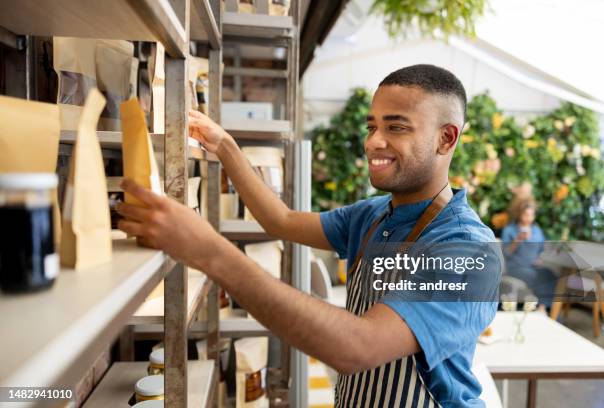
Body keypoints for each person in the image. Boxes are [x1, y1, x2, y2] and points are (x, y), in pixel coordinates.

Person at [117, 64, 501, 407]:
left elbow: (357, 346)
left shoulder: (467, 248)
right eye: (372, 126)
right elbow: (280, 220)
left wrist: (208, 251)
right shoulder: (371, 215)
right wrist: (226, 148)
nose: (373, 142)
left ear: (446, 138)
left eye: (395, 127)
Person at [502, 198, 557, 309]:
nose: (529, 218)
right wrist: (518, 239)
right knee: (537, 276)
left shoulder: (536, 230)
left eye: (531, 215)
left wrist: (539, 259)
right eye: (526, 215)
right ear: (519, 214)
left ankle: (543, 307)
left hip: (532, 266)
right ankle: (542, 308)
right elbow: (506, 253)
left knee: (550, 274)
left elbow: (542, 249)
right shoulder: (510, 230)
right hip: (516, 268)